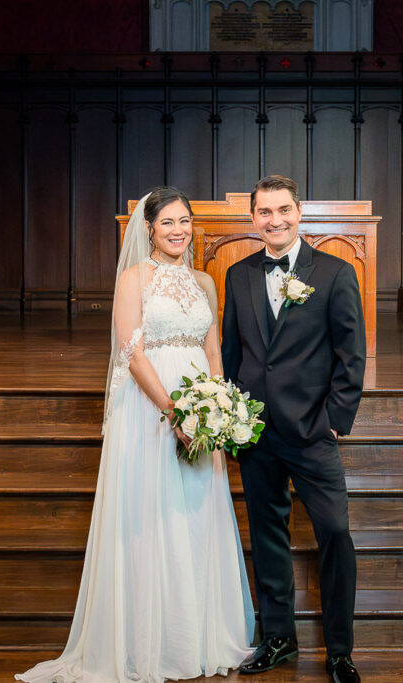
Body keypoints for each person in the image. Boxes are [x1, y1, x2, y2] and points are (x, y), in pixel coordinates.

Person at [16, 187, 254, 682]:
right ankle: (150, 643)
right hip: (151, 410)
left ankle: (200, 636)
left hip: (201, 409)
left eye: (184, 221)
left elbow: (213, 352)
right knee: (154, 516)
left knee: (194, 515)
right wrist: (174, 413)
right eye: (167, 222)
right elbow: (132, 352)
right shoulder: (133, 279)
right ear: (148, 228)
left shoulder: (205, 282)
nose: (178, 230)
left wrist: (217, 409)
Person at [221, 175, 366, 683]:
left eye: (283, 210)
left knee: (335, 533)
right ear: (254, 218)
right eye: (265, 212)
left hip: (312, 433)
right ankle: (278, 638)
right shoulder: (237, 276)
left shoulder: (334, 273)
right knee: (267, 535)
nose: (275, 220)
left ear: (299, 212)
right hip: (257, 432)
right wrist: (234, 418)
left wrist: (333, 422)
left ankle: (340, 650)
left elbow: (352, 355)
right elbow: (232, 356)